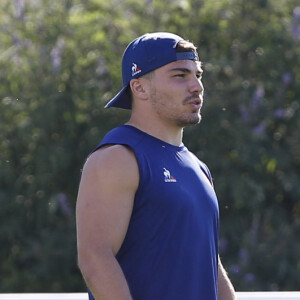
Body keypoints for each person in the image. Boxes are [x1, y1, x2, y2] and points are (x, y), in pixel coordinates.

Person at [76, 32, 236, 300]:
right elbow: (95, 259)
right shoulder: (117, 157)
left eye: (197, 75)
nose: (196, 86)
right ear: (139, 88)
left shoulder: (198, 167)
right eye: (179, 76)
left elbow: (209, 263)